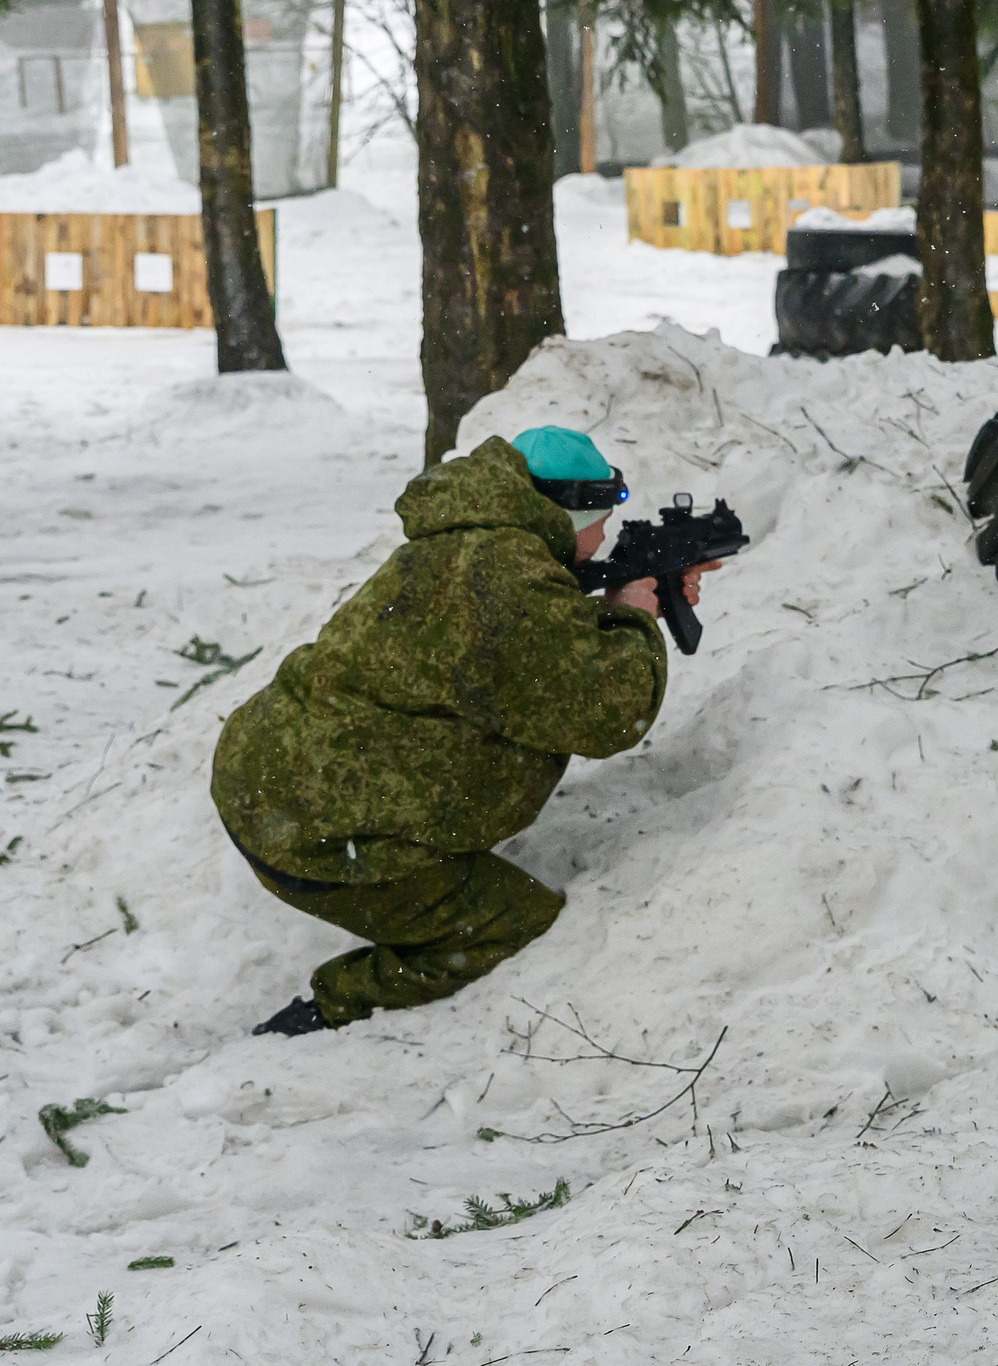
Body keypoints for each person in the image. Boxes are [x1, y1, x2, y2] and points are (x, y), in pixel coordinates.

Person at [212, 426, 706, 1036]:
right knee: (512, 922)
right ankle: (336, 1006)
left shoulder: (470, 544)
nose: (604, 533)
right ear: (568, 512)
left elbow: (511, 651)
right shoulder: (506, 578)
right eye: (601, 517)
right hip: (313, 835)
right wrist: (633, 614)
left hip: (273, 782)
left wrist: (611, 607)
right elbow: (608, 713)